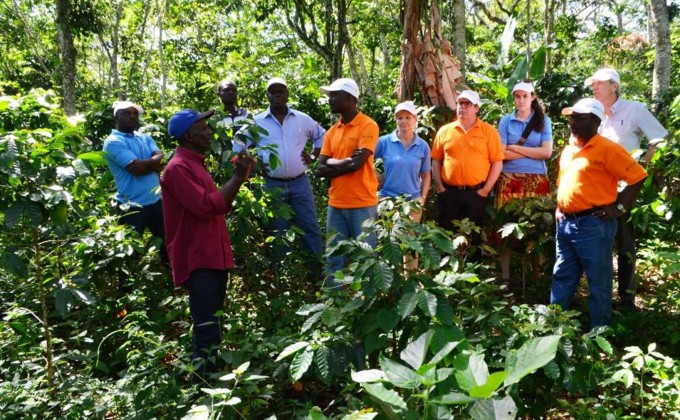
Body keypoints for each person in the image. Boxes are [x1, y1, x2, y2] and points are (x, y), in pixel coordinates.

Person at [161, 108, 254, 378]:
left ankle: (209, 380)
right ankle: (203, 390)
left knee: (213, 323)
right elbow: (206, 207)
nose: (209, 131)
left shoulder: (195, 163)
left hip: (211, 255)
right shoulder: (178, 168)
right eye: (204, 127)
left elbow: (219, 205)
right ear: (189, 134)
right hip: (197, 258)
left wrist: (241, 176)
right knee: (206, 328)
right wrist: (237, 177)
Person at [551, 98, 647, 329]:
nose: (572, 122)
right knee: (562, 276)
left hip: (593, 224)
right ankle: (550, 328)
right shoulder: (570, 147)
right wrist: (559, 206)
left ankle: (599, 334)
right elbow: (564, 180)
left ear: (595, 121)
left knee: (598, 281)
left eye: (579, 118)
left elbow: (637, 177)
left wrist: (620, 208)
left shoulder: (607, 148)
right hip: (565, 223)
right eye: (571, 117)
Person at [586, 68, 668, 309]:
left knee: (625, 243)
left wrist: (643, 166)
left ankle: (627, 299)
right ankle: (598, 297)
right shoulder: (594, 114)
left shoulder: (635, 110)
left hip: (625, 188)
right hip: (597, 187)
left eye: (599, 83)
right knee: (597, 242)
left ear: (614, 86)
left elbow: (660, 138)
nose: (594, 87)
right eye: (593, 84)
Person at [234, 77, 325, 280]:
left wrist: (313, 155)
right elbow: (238, 141)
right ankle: (281, 277)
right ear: (267, 95)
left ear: (287, 94)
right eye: (272, 91)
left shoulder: (302, 119)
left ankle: (317, 275)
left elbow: (322, 135)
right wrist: (251, 159)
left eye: (280, 91)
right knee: (277, 231)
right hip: (271, 183)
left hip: (300, 182)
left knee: (310, 227)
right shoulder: (256, 121)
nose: (277, 94)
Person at [316, 78, 379, 287]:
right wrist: (344, 161)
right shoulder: (332, 131)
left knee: (366, 259)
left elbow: (358, 164)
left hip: (363, 204)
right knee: (335, 258)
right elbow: (319, 169)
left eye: (335, 95)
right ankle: (336, 302)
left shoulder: (368, 125)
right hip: (336, 205)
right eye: (330, 95)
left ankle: (366, 304)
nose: (330, 100)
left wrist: (334, 164)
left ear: (351, 98)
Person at [431, 90, 504, 263]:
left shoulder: (488, 131)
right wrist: (440, 187)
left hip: (476, 194)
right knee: (446, 235)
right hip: (449, 193)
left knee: (475, 238)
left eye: (467, 104)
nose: (462, 107)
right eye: (460, 103)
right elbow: (436, 160)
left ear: (477, 108)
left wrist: (486, 190)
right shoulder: (445, 131)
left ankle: (474, 277)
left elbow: (497, 162)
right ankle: (446, 273)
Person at [102, 101, 167, 295]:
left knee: (167, 244)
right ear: (116, 117)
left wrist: (152, 162)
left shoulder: (143, 137)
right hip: (131, 206)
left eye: (134, 114)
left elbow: (158, 155)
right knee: (130, 254)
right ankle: (127, 296)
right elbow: (137, 168)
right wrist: (154, 162)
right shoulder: (113, 142)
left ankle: (171, 284)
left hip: (156, 202)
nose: (132, 116)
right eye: (126, 113)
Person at [495, 81, 553, 287]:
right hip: (509, 178)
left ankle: (536, 277)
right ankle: (506, 276)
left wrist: (516, 148)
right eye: (517, 96)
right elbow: (500, 153)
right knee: (506, 227)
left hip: (537, 179)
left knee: (536, 229)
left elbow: (546, 153)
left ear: (532, 97)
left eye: (525, 96)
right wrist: (531, 151)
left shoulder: (543, 121)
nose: (521, 100)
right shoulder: (505, 121)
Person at [374, 101, 431, 270]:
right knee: (387, 241)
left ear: (415, 120)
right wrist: (377, 176)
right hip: (386, 201)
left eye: (408, 117)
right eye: (400, 117)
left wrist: (423, 197)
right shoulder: (384, 141)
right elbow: (366, 160)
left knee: (410, 243)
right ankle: (388, 285)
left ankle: (410, 280)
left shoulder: (423, 146)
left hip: (412, 202)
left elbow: (426, 174)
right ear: (395, 120)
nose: (403, 121)